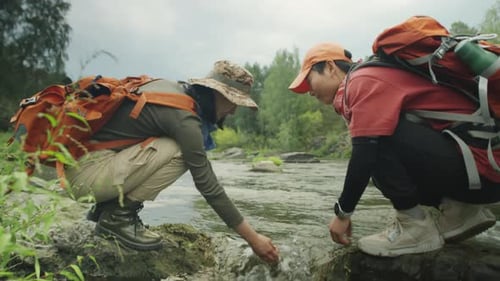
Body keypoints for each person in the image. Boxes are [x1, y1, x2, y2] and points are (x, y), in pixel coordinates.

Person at [288, 42, 500, 257]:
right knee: (373, 139)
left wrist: (342, 214)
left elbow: (365, 154)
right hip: (483, 169)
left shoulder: (362, 81)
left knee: (375, 140)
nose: (309, 92)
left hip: (482, 170)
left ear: (331, 67)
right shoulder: (375, 74)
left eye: (309, 79)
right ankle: (460, 213)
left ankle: (414, 227)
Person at [65, 60, 280, 264]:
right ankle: (117, 217)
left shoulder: (173, 90)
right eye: (232, 101)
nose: (233, 110)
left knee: (173, 146)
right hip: (88, 176)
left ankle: (107, 209)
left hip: (85, 168)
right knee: (179, 151)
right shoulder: (184, 118)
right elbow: (208, 185)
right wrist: (253, 239)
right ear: (215, 93)